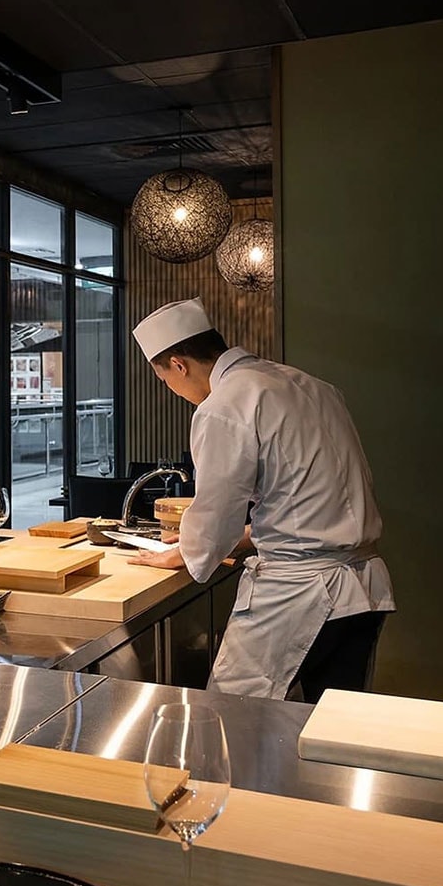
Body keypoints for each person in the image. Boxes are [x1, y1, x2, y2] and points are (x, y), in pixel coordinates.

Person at [130, 298, 395, 700]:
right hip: (364, 589)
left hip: (298, 594)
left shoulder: (225, 405)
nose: (175, 391)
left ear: (179, 365)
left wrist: (188, 550)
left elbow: (216, 515)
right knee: (333, 730)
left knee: (231, 716)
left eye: (166, 381)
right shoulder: (313, 387)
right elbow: (311, 500)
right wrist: (238, 539)